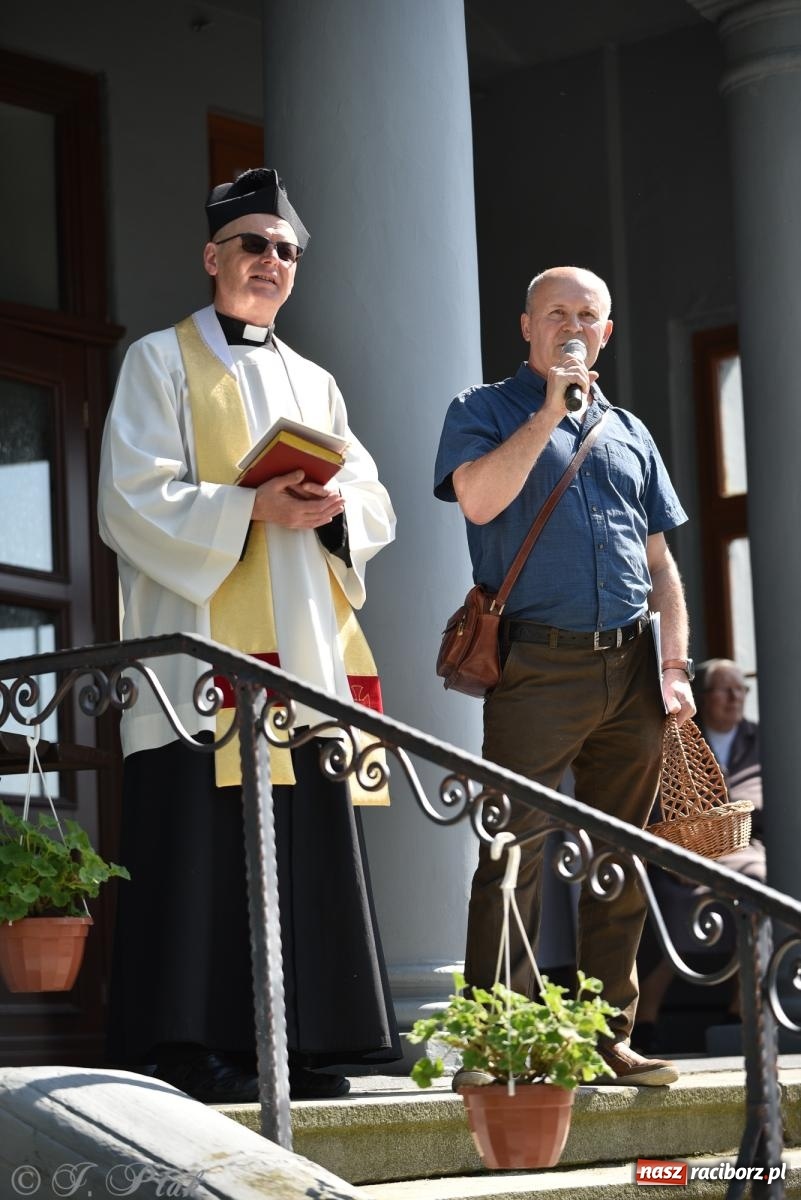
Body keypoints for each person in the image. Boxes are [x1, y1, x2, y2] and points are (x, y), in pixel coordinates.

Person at [98, 168, 400, 1102]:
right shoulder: (158, 360)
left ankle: (307, 1044)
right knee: (199, 846)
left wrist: (331, 508)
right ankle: (185, 1045)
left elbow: (377, 499)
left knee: (303, 839)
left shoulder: (316, 381)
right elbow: (130, 496)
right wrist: (246, 508)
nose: (270, 263)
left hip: (302, 651)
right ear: (211, 257)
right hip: (201, 658)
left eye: (285, 252)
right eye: (253, 246)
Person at [434, 265, 695, 1086]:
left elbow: (660, 563)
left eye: (587, 315)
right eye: (557, 313)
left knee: (620, 858)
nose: (572, 325)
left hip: (631, 667)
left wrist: (677, 665)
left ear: (606, 332)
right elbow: (476, 501)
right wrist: (548, 409)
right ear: (527, 326)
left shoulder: (628, 430)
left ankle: (603, 1037)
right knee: (514, 848)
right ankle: (493, 1041)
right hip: (538, 665)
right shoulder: (481, 410)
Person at [635, 658, 763, 1048]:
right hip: (682, 852)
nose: (734, 698)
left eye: (740, 689)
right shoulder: (678, 736)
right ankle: (645, 1018)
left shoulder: (760, 739)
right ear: (702, 697)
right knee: (674, 900)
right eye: (725, 690)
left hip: (741, 846)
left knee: (760, 884)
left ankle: (745, 1008)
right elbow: (657, 801)